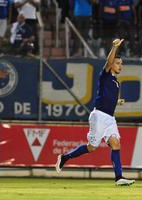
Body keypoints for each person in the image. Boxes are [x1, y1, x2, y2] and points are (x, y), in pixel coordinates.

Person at [56, 39, 135, 186]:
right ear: (111, 64)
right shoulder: (105, 75)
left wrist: (117, 102)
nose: (120, 66)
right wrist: (114, 47)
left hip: (110, 118)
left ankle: (119, 178)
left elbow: (106, 98)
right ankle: (65, 158)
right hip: (99, 116)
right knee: (92, 148)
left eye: (121, 64)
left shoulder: (116, 82)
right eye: (118, 63)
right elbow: (108, 62)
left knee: (116, 144)